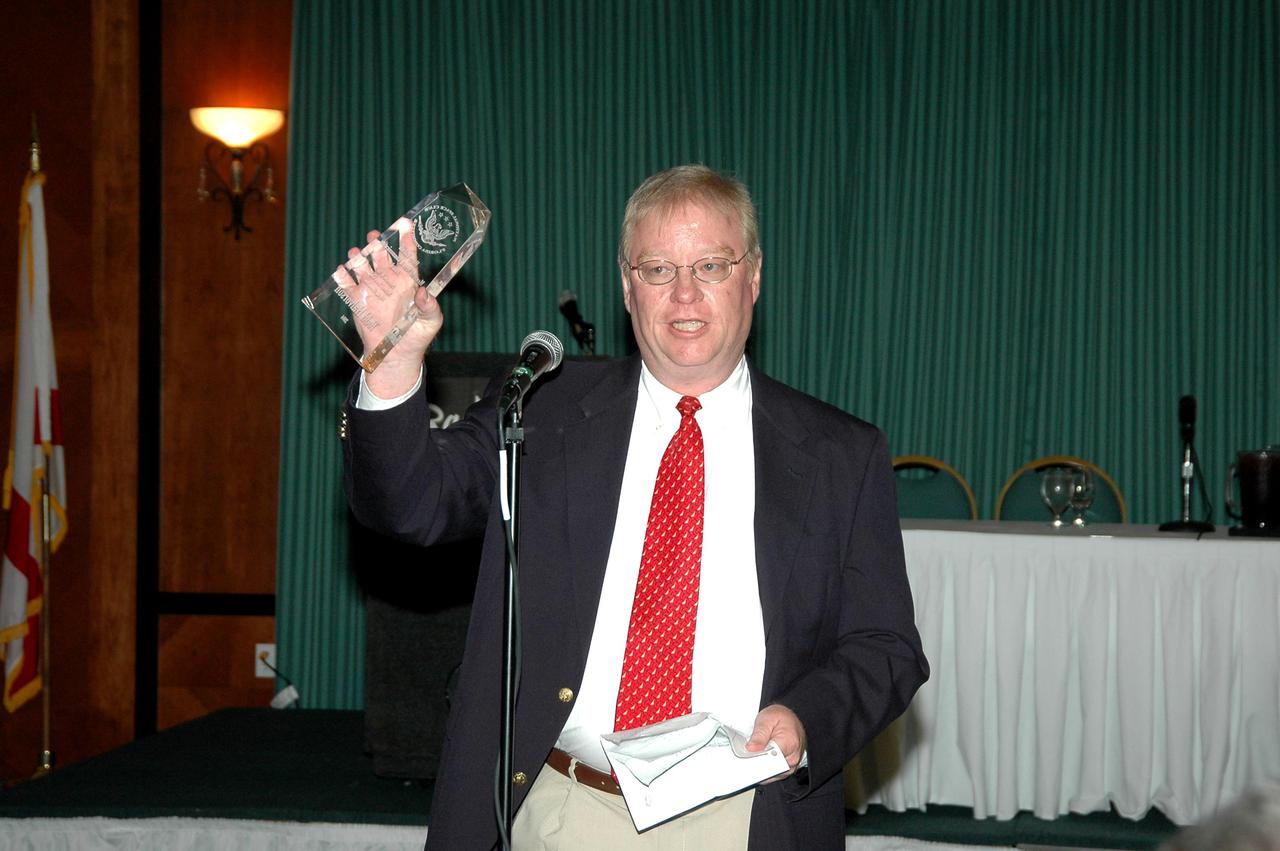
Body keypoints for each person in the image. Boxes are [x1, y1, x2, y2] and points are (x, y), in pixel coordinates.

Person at [341, 164, 928, 850]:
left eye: (711, 264)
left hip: (743, 815)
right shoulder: (541, 408)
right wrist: (390, 363)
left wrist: (805, 717)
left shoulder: (839, 454)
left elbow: (887, 647)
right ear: (626, 285)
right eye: (657, 268)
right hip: (562, 806)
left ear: (754, 276)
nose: (685, 293)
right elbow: (411, 508)